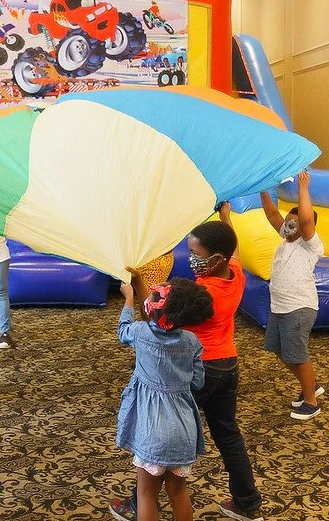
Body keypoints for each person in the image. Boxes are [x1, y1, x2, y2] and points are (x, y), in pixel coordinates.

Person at [110, 205, 265, 521]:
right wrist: (226, 218)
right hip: (228, 365)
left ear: (216, 258)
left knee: (159, 430)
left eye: (195, 253)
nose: (192, 259)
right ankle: (247, 502)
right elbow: (233, 249)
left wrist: (138, 286)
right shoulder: (235, 274)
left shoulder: (200, 293)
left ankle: (138, 504)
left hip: (194, 368)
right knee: (228, 434)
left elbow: (155, 316)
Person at [116, 269, 215, 521]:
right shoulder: (192, 342)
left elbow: (123, 330)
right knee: (179, 493)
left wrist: (128, 299)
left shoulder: (140, 333)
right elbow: (198, 382)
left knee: (147, 495)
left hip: (153, 431)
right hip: (184, 430)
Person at [259, 170, 325, 421]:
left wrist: (303, 188)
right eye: (288, 222)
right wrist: (262, 187)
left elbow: (306, 221)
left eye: (294, 223)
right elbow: (273, 214)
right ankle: (311, 385)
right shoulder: (286, 237)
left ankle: (311, 401)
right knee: (280, 351)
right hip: (280, 307)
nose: (288, 225)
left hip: (299, 307)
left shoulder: (310, 244)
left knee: (297, 354)